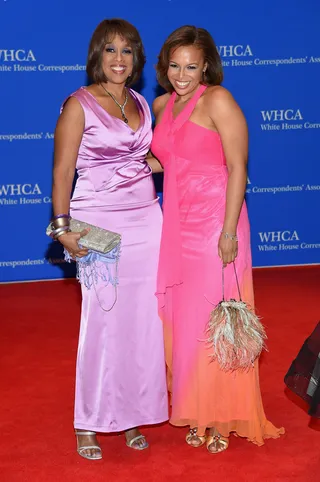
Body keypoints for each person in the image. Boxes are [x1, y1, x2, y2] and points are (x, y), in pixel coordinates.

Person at [150, 25, 284, 453]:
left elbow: (238, 167)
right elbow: (161, 162)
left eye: (191, 66)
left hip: (215, 225)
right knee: (187, 324)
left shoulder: (219, 100)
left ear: (206, 65)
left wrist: (228, 232)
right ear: (164, 66)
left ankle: (222, 417)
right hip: (176, 227)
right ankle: (197, 409)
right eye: (175, 65)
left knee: (217, 322)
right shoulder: (160, 105)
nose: (182, 74)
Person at [51, 18, 168, 460]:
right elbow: (63, 171)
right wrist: (62, 227)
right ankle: (89, 421)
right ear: (96, 56)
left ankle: (132, 413)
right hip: (97, 222)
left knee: (142, 324)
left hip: (145, 221)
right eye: (110, 50)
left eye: (127, 51)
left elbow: (145, 160)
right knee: (101, 321)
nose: (119, 59)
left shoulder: (140, 101)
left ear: (136, 58)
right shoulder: (78, 105)